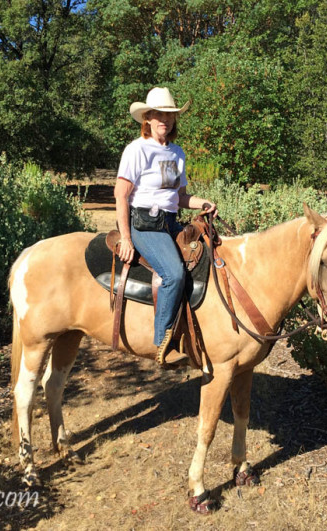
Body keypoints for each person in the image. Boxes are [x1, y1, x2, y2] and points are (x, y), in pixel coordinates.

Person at [114, 87, 218, 361]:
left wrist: (203, 203)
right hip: (145, 225)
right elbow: (121, 194)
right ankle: (163, 342)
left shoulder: (177, 153)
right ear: (147, 118)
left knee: (205, 258)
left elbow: (179, 197)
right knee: (173, 274)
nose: (165, 120)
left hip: (169, 222)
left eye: (170, 115)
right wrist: (126, 237)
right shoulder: (137, 150)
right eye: (159, 114)